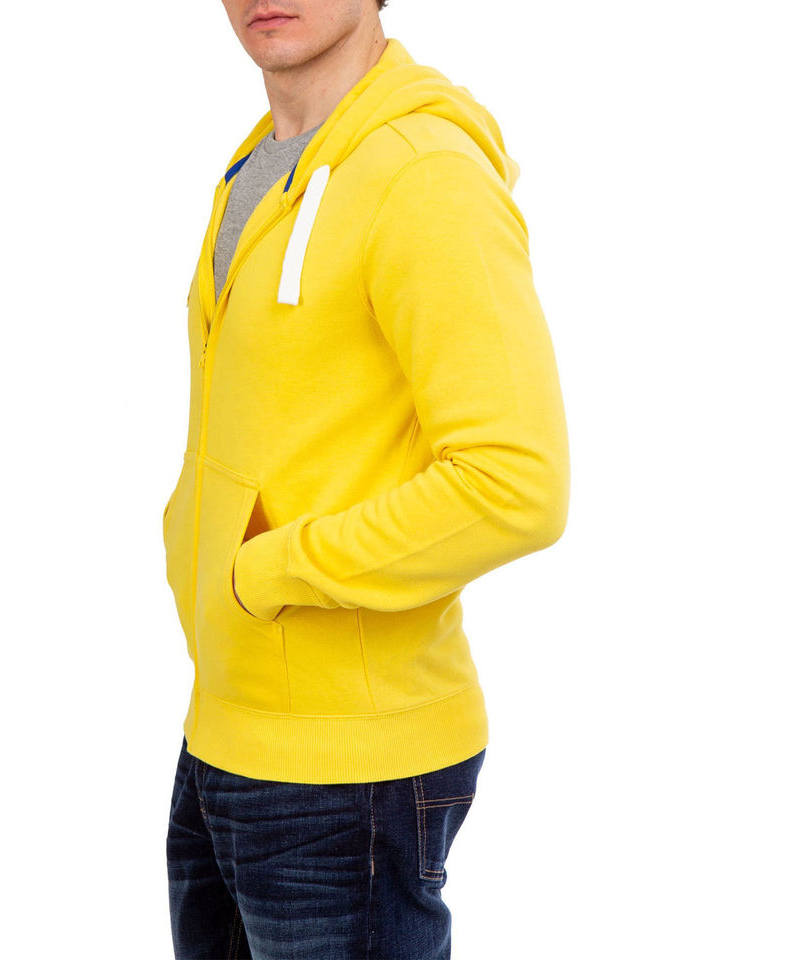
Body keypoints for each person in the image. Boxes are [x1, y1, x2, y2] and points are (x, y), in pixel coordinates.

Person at [162, 1, 571, 956]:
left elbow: (519, 483)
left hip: (348, 774)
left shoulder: (424, 174)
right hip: (225, 729)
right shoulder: (262, 164)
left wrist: (271, 570)